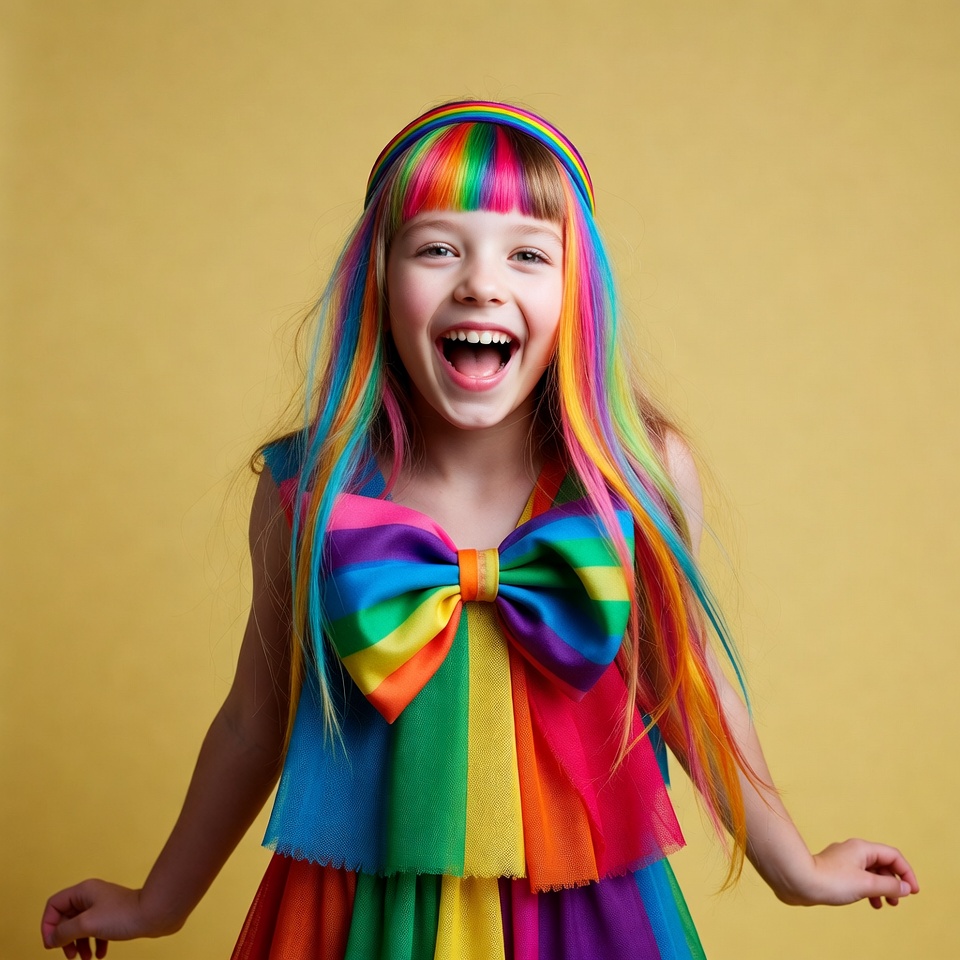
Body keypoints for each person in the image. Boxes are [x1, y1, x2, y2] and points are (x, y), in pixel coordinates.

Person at [41, 101, 918, 960]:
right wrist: (158, 902)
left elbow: (690, 686)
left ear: (576, 292)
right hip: (357, 913)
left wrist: (794, 868)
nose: (480, 284)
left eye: (528, 254)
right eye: (437, 248)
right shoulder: (308, 491)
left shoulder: (632, 479)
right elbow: (253, 718)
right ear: (379, 279)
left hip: (580, 907)